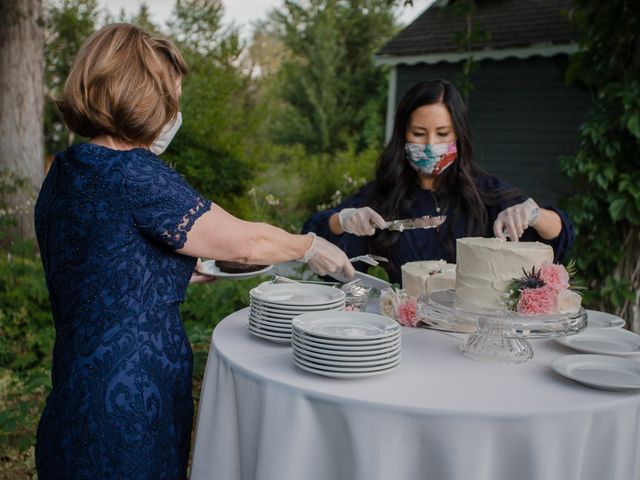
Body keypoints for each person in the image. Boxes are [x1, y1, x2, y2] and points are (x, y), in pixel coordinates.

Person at [34, 23, 354, 479]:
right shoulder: (135, 173)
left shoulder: (67, 170)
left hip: (74, 390)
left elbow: (98, 264)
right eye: (172, 97)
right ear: (142, 96)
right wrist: (309, 245)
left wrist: (171, 271)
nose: (174, 111)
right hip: (129, 406)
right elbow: (247, 240)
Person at [303, 79, 574, 285]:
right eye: (419, 133)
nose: (431, 144)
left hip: (474, 336)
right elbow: (322, 249)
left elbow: (560, 237)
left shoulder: (485, 192)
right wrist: (342, 221)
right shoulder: (383, 196)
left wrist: (534, 214)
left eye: (442, 133)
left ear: (459, 135)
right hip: (404, 334)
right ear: (403, 135)